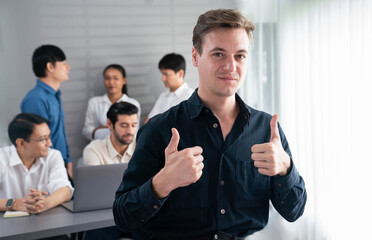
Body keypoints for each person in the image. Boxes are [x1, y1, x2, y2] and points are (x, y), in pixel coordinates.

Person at [113, 8, 307, 239]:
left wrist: (286, 169)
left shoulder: (267, 129)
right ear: (195, 57)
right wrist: (163, 182)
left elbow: (294, 211)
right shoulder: (159, 129)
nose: (231, 66)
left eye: (240, 56)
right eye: (218, 54)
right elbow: (122, 217)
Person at [0, 113, 73, 214]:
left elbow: (65, 191)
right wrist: (15, 204)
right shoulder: (2, 159)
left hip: (45, 221)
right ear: (21, 143)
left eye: (49, 137)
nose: (50, 143)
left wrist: (42, 204)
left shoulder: (53, 156)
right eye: (43, 139)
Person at [21, 44, 73, 179]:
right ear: (50, 67)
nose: (68, 68)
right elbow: (38, 140)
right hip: (46, 168)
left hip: (59, 164)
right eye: (64, 64)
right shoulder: (36, 99)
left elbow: (59, 132)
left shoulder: (55, 95)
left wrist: (67, 161)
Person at [82, 64, 141, 141]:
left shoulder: (133, 104)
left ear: (124, 80)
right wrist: (104, 130)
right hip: (101, 147)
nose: (111, 82)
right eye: (107, 78)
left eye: (116, 78)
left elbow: (135, 132)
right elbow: (86, 130)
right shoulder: (94, 102)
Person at [143, 53, 194, 124]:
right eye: (162, 74)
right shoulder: (163, 96)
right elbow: (148, 122)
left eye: (166, 74)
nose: (163, 78)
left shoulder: (190, 97)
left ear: (180, 74)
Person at [83, 101, 138, 166]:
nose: (130, 131)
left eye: (133, 125)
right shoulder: (93, 150)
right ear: (109, 124)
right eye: (124, 126)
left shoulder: (144, 147)